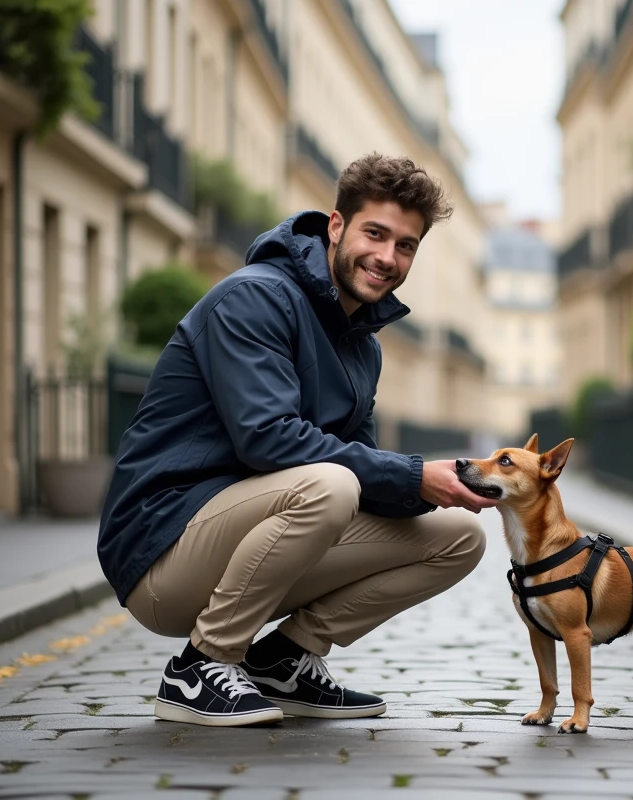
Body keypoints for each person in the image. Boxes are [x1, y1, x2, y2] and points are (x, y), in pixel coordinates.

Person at [97, 153, 497, 728]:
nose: (387, 257)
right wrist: (410, 474)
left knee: (459, 536)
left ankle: (283, 660)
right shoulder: (254, 298)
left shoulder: (364, 345)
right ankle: (200, 665)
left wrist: (437, 485)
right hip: (162, 549)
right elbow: (269, 440)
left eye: (405, 245)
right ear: (336, 227)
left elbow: (368, 479)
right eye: (375, 234)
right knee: (329, 486)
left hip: (254, 531)